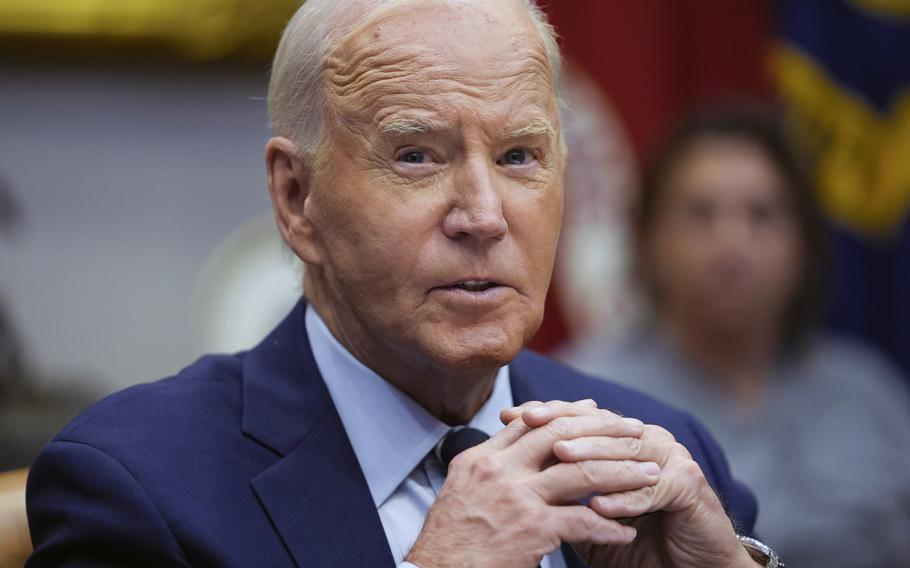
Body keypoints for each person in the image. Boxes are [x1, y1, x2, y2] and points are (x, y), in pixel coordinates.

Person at [26, 2, 770, 566]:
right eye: (416, 155)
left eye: (518, 156)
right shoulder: (136, 487)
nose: (483, 216)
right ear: (296, 198)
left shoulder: (658, 449)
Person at [566, 104, 910, 567]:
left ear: (804, 244)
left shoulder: (871, 393)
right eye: (701, 214)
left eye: (761, 215)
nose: (732, 246)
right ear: (648, 241)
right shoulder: (580, 396)